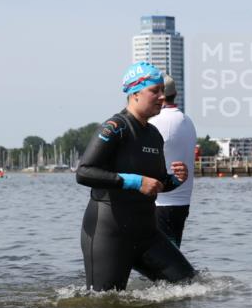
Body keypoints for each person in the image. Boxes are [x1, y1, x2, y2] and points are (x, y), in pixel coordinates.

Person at [76, 62, 195, 291]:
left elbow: (156, 184)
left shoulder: (153, 134)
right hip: (109, 233)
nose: (162, 96)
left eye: (163, 90)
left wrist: (174, 180)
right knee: (105, 306)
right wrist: (135, 181)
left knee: (189, 284)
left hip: (146, 233)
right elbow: (84, 172)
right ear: (135, 93)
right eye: (155, 91)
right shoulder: (115, 127)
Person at [149, 74, 197, 247]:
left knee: (160, 260)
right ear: (175, 94)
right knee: (172, 253)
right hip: (182, 201)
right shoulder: (187, 121)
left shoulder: (157, 121)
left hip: (161, 202)